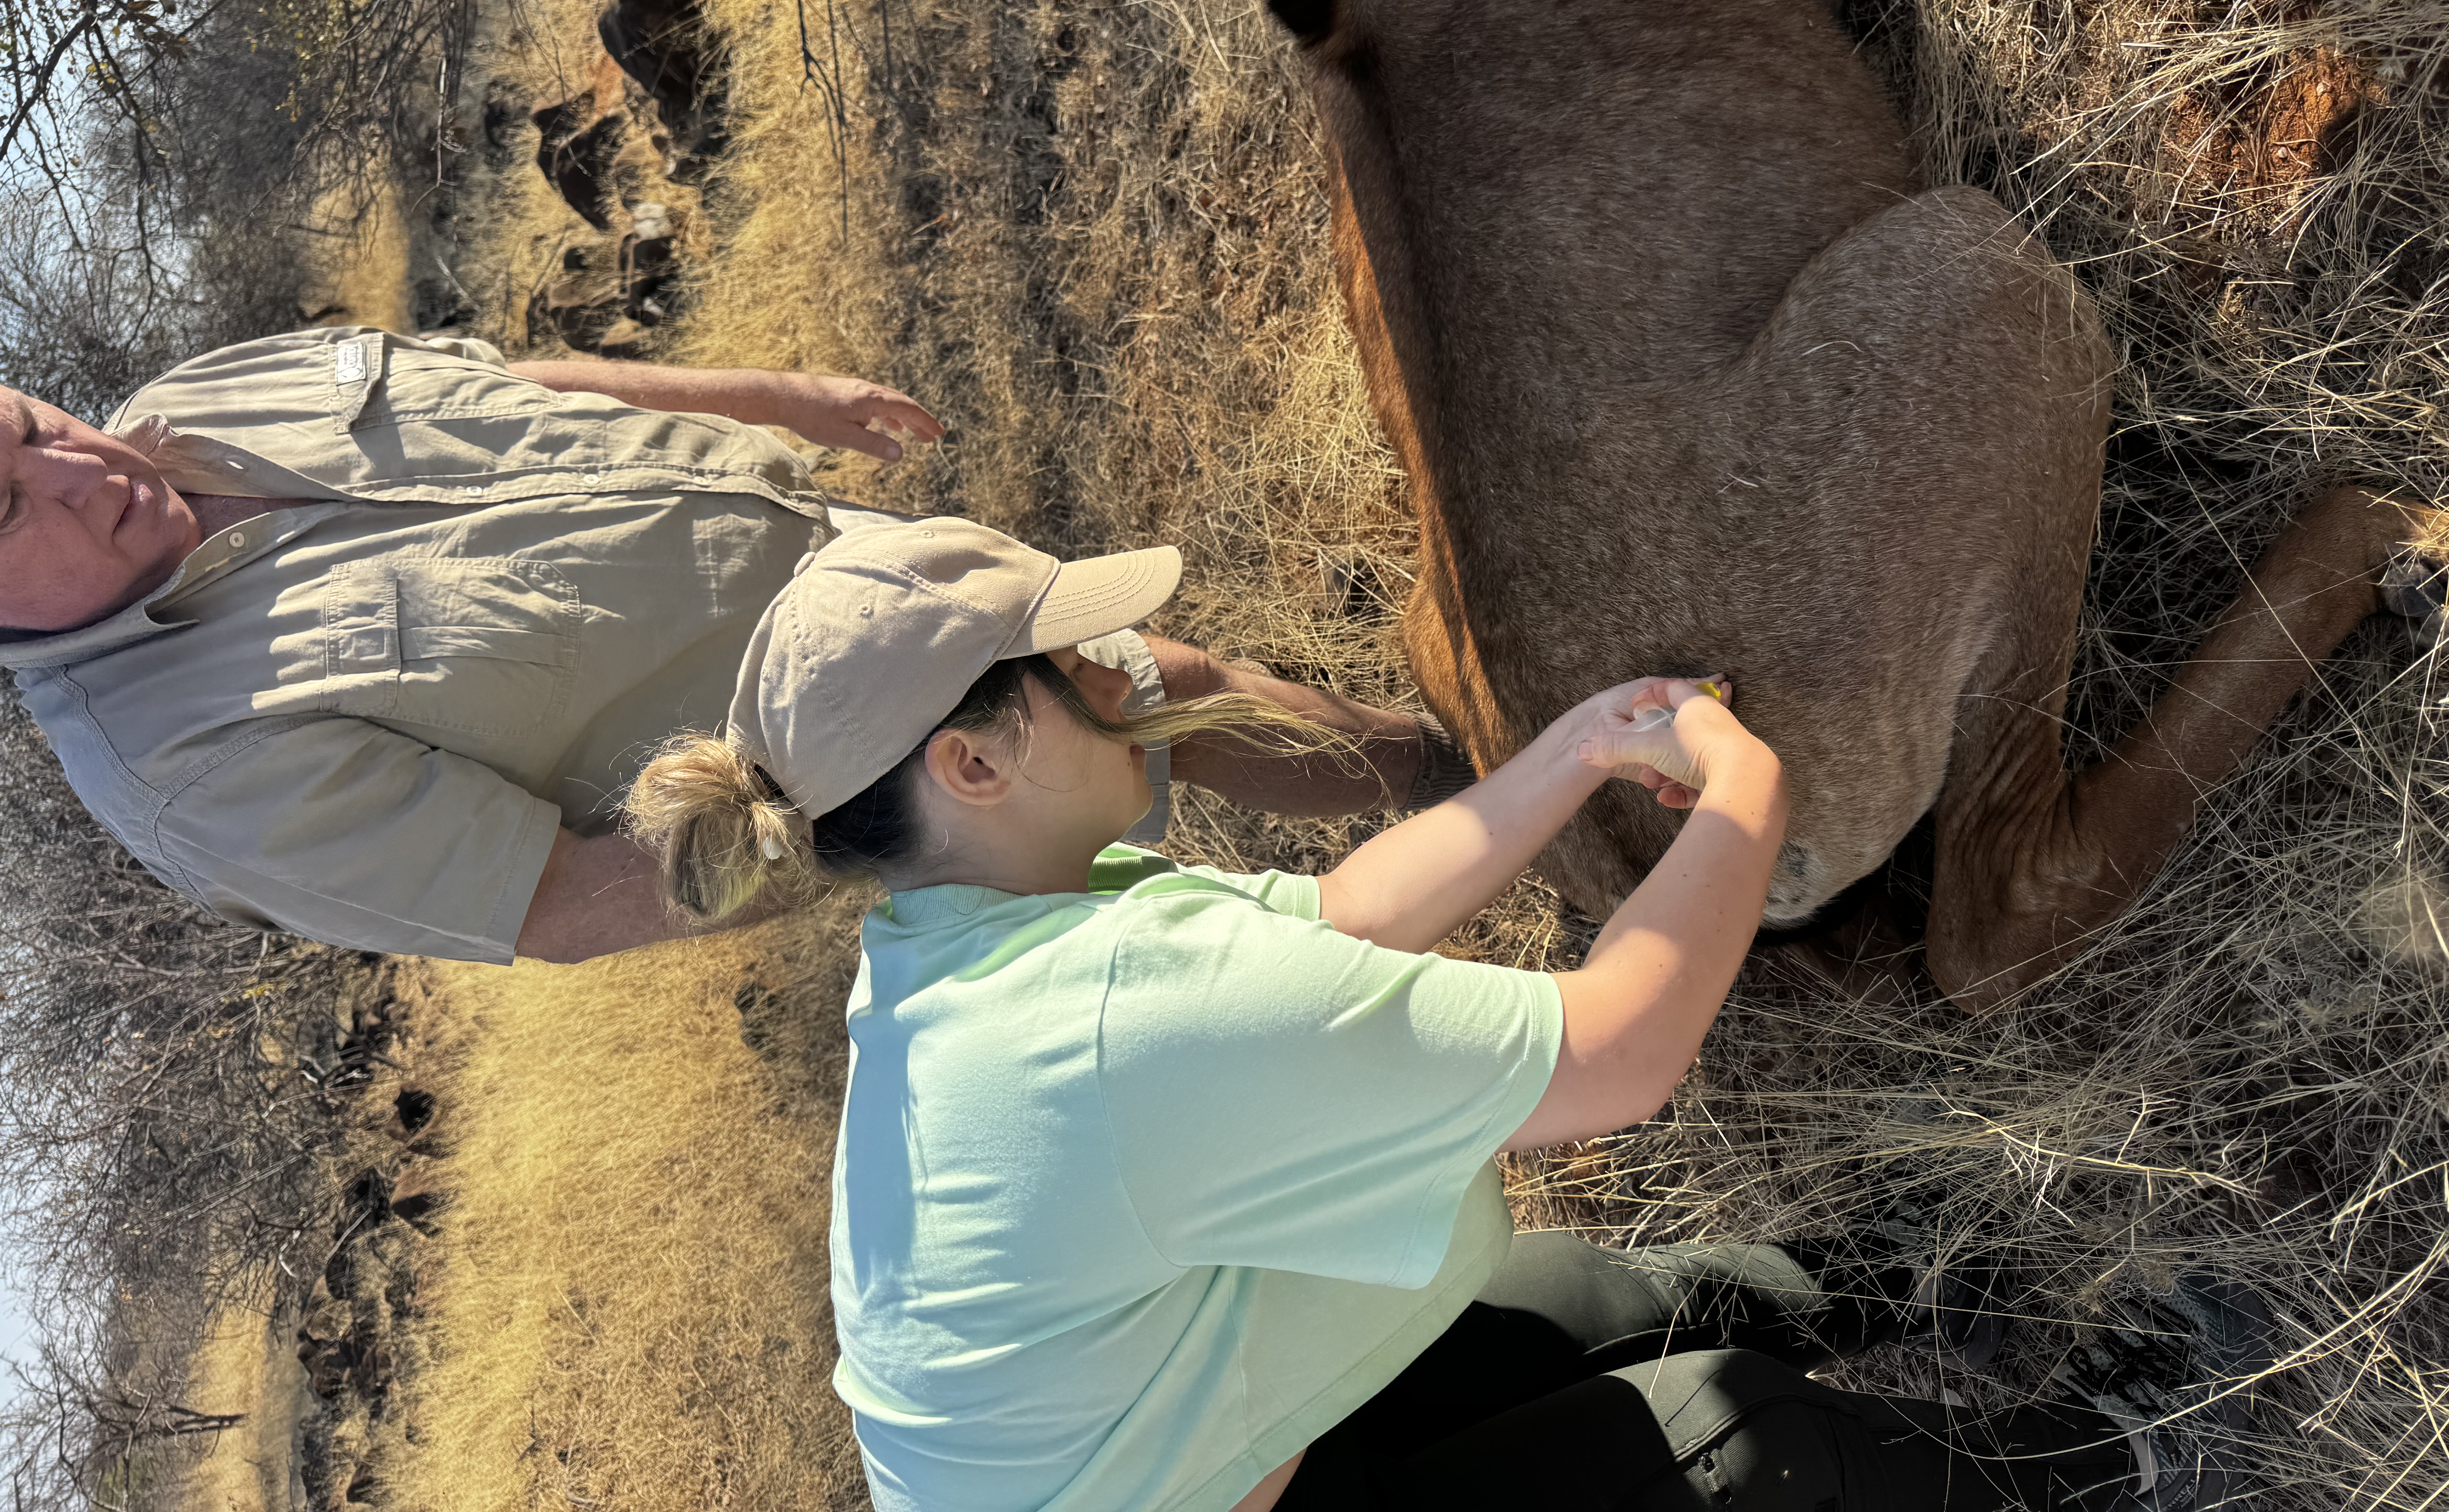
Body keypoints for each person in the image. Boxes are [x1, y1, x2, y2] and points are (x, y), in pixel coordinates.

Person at [626, 517, 2268, 1512]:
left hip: (1202, 1459)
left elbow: (1337, 918)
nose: (1143, 671)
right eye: (1091, 665)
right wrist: (1746, 801)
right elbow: (1619, 1050)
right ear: (972, 763)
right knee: (1728, 1445)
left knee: (1595, 1299)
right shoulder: (1107, 1019)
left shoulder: (967, 939)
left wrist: (1566, 757)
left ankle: (1987, 1289)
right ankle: (2123, 1458)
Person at [0, 327, 1467, 963]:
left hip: (834, 546)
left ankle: (1479, 778)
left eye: (24, 425)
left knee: (1173, 695)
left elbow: (499, 383)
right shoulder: (184, 767)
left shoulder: (191, 397)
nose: (78, 467)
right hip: (845, 746)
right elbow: (558, 904)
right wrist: (853, 818)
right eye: (15, 505)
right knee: (1175, 699)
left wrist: (775, 396)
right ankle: (1494, 795)